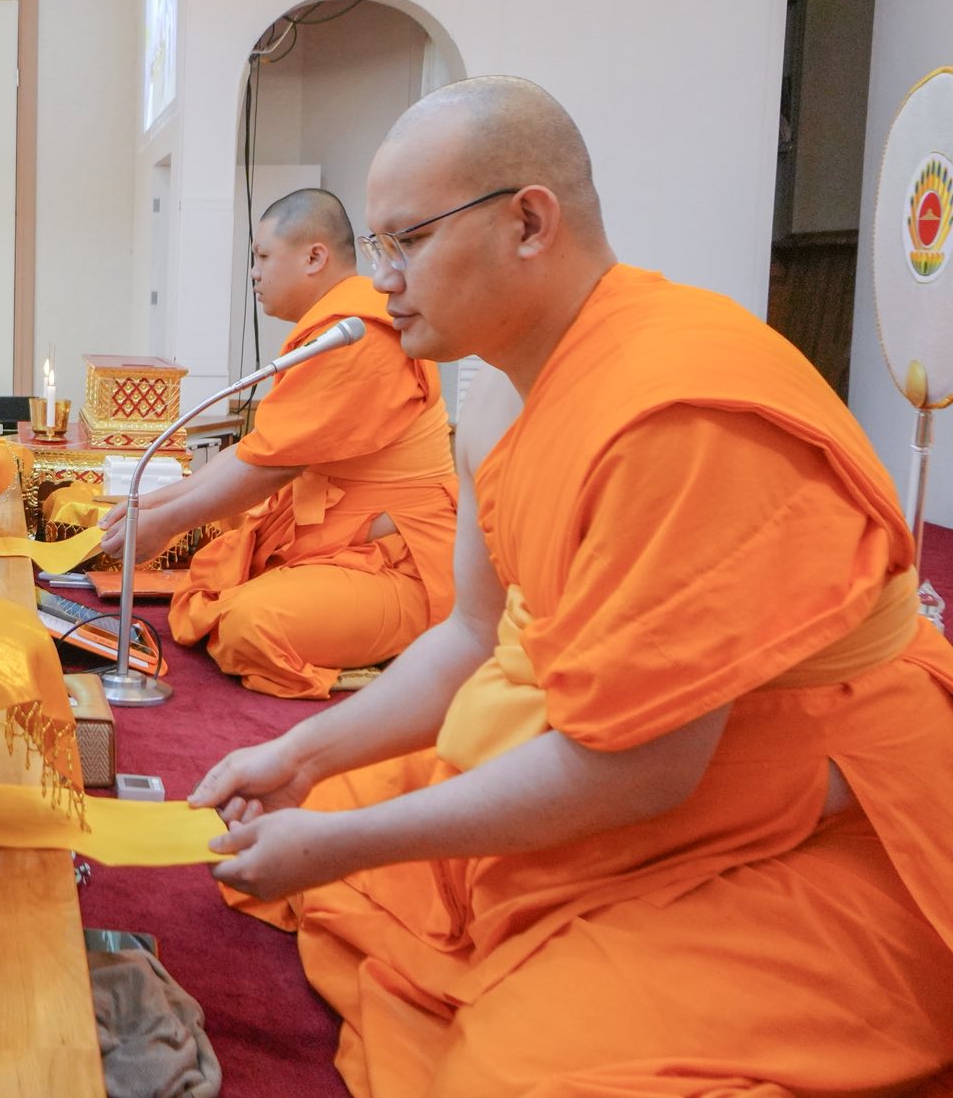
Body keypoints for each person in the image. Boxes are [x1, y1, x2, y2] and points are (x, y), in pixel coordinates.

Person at [192, 77, 953, 1095]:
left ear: (526, 222)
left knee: (523, 1069)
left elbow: (640, 774)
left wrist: (331, 844)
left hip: (814, 802)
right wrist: (297, 752)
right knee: (340, 807)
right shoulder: (510, 399)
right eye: (376, 248)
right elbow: (472, 635)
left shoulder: (675, 413)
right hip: (617, 735)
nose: (381, 284)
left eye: (404, 242)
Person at [100, 189, 457, 699]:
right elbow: (260, 452)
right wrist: (145, 507)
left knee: (247, 625)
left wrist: (166, 522)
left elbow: (268, 469)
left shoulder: (359, 336)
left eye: (262, 256)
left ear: (315, 256)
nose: (254, 273)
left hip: (401, 561)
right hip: (342, 540)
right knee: (212, 577)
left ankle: (410, 655)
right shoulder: (336, 329)